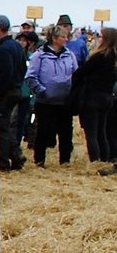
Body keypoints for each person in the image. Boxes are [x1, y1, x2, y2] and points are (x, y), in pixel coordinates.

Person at [25, 24, 80, 166]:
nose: (66, 39)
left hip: (65, 101)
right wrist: (42, 91)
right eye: (63, 37)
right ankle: (39, 160)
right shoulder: (39, 55)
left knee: (66, 132)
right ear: (54, 38)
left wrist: (73, 94)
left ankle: (65, 160)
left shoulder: (69, 55)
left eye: (67, 36)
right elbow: (30, 77)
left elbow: (76, 74)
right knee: (43, 131)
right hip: (45, 102)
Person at [71, 27, 117, 169]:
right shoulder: (114, 58)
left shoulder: (99, 56)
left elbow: (81, 72)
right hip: (107, 98)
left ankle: (95, 161)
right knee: (102, 132)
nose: (98, 39)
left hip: (93, 98)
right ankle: (104, 160)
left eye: (101, 36)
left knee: (91, 133)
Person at [0, 15, 27, 171]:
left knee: (1, 128)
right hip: (16, 90)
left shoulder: (3, 49)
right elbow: (23, 68)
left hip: (5, 93)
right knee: (7, 126)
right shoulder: (16, 46)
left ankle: (3, 163)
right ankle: (16, 157)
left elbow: (5, 74)